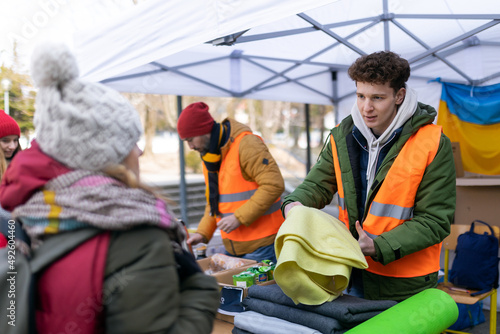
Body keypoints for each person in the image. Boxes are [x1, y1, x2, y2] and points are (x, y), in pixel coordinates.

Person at [1, 43, 219, 333]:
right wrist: (200, 293)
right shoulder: (136, 235)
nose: (139, 152)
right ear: (107, 155)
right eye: (131, 141)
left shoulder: (28, 218)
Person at [282, 51, 456, 302]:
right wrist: (294, 204)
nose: (367, 107)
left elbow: (435, 220)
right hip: (351, 272)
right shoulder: (341, 136)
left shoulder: (433, 144)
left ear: (399, 96)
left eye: (377, 97)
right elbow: (317, 184)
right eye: (361, 96)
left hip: (404, 283)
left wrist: (377, 246)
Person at [178, 102, 285, 263]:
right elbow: (213, 202)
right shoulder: (210, 156)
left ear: (204, 130)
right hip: (234, 248)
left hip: (264, 247)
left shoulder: (247, 144)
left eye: (190, 139)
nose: (191, 146)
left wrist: (238, 218)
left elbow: (274, 185)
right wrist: (202, 233)